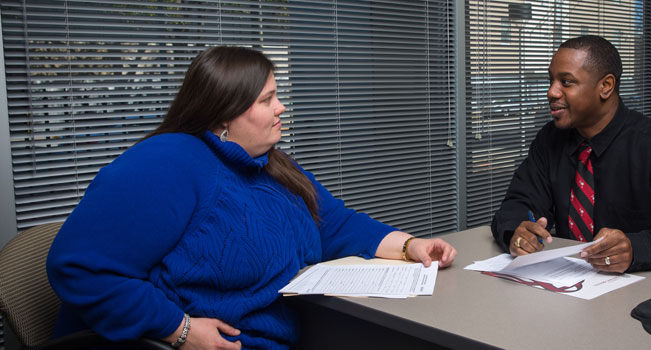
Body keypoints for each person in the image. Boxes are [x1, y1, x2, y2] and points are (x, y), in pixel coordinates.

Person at [46, 46, 457, 350]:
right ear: (224, 112)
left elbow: (333, 222)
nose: (281, 108)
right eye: (266, 100)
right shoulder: (168, 163)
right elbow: (80, 267)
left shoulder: (272, 163)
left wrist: (410, 245)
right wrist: (181, 330)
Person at [491, 35, 651, 273]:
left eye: (566, 82)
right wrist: (517, 232)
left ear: (605, 87)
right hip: (566, 286)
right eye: (551, 80)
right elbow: (519, 202)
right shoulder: (550, 139)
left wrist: (636, 249)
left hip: (642, 290)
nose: (551, 92)